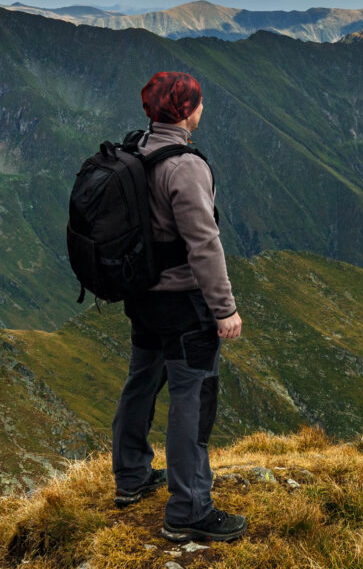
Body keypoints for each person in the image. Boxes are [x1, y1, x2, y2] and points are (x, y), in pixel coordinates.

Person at [111, 71, 247, 543]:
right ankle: (189, 508)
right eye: (199, 102)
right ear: (186, 110)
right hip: (182, 304)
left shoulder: (137, 149)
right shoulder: (184, 165)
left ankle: (130, 475)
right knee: (193, 398)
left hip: (142, 296)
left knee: (142, 379)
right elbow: (203, 243)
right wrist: (224, 309)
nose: (201, 109)